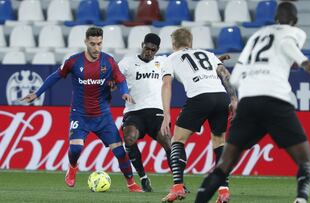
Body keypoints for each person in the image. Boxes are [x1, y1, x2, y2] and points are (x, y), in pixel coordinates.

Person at [194, 2, 310, 203]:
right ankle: (301, 200)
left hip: (248, 102)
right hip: (275, 99)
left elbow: (235, 78)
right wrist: (303, 61)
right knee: (306, 163)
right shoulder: (294, 32)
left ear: (275, 18)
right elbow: (286, 43)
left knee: (224, 165)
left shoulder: (256, 36)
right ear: (294, 21)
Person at [21, 27, 143, 192]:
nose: (96, 48)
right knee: (76, 148)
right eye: (92, 44)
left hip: (103, 117)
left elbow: (120, 80)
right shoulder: (73, 61)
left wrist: (124, 93)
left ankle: (131, 184)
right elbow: (55, 76)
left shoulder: (109, 61)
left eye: (99, 44)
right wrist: (37, 93)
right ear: (86, 42)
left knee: (120, 152)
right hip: (80, 115)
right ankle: (72, 167)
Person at [160, 28, 237, 203]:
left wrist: (166, 114)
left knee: (177, 140)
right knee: (219, 142)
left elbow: (166, 85)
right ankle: (223, 190)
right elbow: (225, 74)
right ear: (191, 43)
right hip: (220, 97)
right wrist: (233, 99)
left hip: (199, 97)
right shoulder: (208, 54)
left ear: (173, 44)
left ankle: (178, 187)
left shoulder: (170, 59)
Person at [117, 33, 172, 192]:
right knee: (129, 138)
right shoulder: (127, 62)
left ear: (157, 49)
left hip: (157, 111)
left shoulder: (163, 61)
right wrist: (117, 87)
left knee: (167, 141)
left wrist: (214, 61)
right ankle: (143, 177)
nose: (149, 52)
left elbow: (186, 60)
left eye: (152, 50)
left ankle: (178, 183)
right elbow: (115, 77)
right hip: (134, 111)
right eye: (146, 48)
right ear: (142, 44)